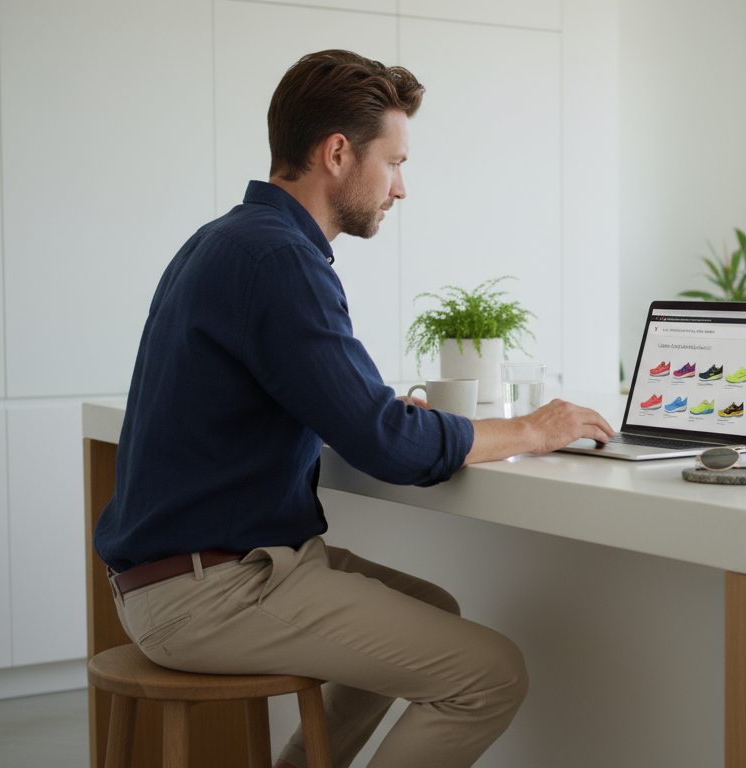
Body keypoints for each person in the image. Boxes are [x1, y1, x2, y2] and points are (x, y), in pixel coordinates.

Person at [93, 49, 614, 768]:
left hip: (185, 574)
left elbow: (327, 403)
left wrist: (369, 408)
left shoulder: (226, 241)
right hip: (212, 592)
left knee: (436, 611)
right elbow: (388, 447)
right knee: (490, 675)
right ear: (337, 153)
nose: (401, 189)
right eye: (394, 163)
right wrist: (531, 428)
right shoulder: (279, 260)